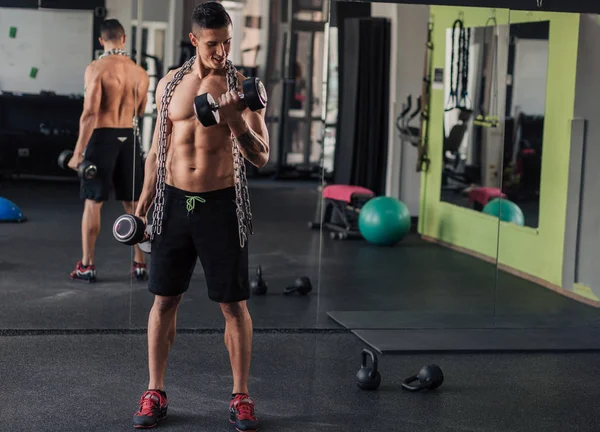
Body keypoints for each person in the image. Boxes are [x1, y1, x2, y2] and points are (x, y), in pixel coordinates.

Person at [131, 3, 269, 431]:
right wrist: (141, 206)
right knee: (164, 300)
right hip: (173, 204)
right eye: (213, 44)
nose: (222, 51)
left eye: (228, 42)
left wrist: (234, 123)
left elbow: (261, 156)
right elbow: (158, 149)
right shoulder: (170, 85)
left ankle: (241, 396)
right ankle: (154, 390)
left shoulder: (242, 88)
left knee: (233, 305)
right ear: (194, 40)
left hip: (221, 204)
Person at [68, 19, 150, 283]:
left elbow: (90, 113)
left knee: (93, 203)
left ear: (102, 41)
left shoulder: (96, 69)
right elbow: (139, 111)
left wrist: (78, 153)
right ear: (123, 39)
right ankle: (140, 264)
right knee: (134, 204)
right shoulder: (141, 72)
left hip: (103, 137)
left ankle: (87, 265)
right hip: (129, 137)